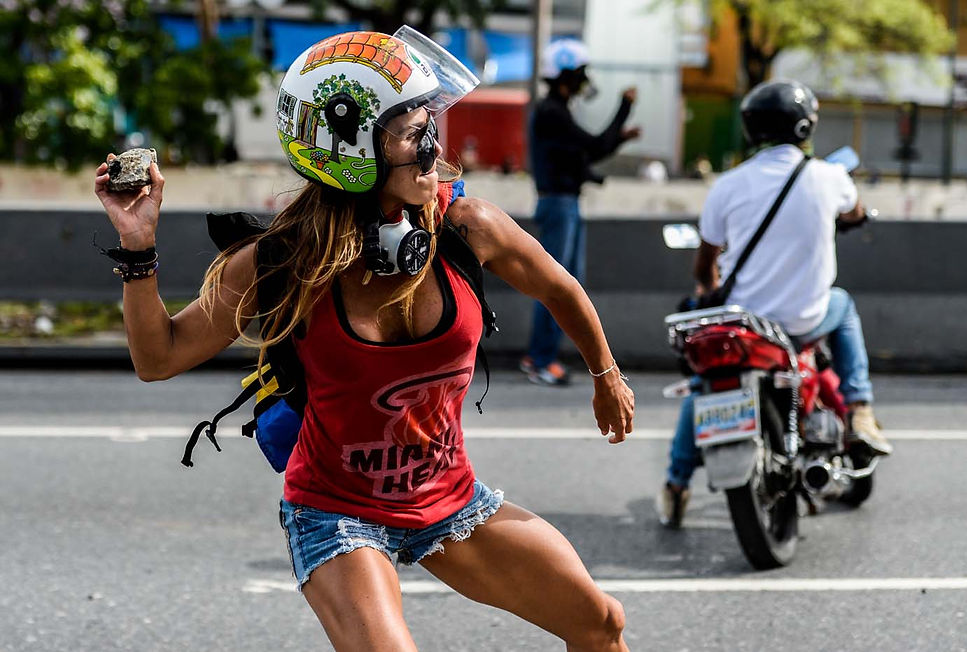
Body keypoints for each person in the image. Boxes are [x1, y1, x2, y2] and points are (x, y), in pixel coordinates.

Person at [94, 27, 634, 651]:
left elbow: (561, 288)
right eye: (412, 134)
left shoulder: (465, 228)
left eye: (430, 127)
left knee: (601, 624)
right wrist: (137, 246)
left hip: (447, 497)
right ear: (349, 150)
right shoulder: (282, 263)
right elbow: (158, 357)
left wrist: (606, 375)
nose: (434, 150)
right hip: (336, 513)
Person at [657, 79, 892, 528]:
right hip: (803, 323)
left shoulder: (727, 185)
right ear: (805, 127)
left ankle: (676, 483)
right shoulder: (829, 177)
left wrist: (708, 294)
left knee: (708, 383)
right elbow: (855, 212)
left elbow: (705, 265)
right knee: (843, 304)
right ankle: (860, 407)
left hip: (744, 326)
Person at [520, 38, 641, 386]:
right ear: (566, 76)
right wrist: (623, 108)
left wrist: (620, 137)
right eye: (580, 73)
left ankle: (543, 356)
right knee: (556, 285)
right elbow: (594, 147)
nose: (584, 81)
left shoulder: (557, 112)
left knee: (566, 284)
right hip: (559, 206)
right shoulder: (552, 113)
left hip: (565, 203)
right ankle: (540, 359)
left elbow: (581, 157)